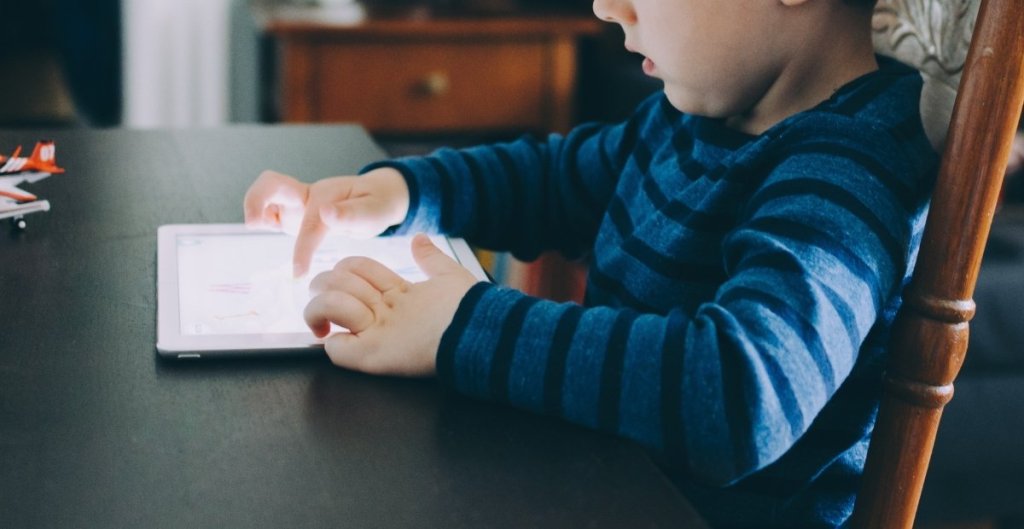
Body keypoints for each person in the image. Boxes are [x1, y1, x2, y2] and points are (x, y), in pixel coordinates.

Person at [244, 0, 940, 526]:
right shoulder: (694, 117)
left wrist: (464, 322)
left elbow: (740, 395)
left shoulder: (850, 168)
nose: (607, 6)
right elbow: (552, 181)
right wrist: (403, 192)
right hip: (604, 480)